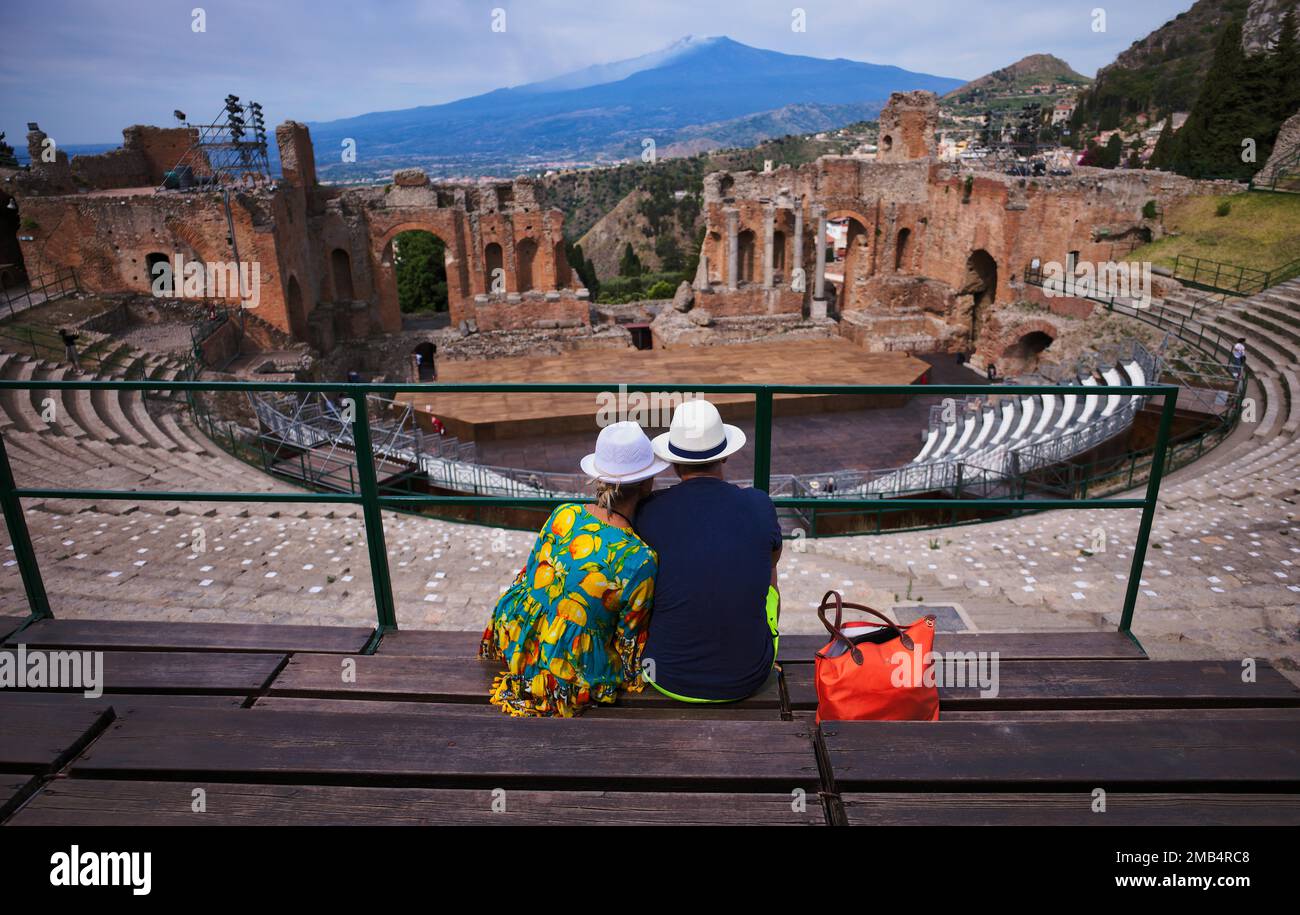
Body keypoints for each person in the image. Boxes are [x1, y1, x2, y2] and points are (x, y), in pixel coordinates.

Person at [479, 421, 667, 717]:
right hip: (563, 667)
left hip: (515, 636)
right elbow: (629, 641)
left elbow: (528, 579)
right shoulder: (640, 559)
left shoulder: (564, 513)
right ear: (647, 484)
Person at [634, 399, 782, 703]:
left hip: (663, 674)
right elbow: (770, 562)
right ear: (725, 456)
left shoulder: (649, 511)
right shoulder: (759, 504)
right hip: (748, 677)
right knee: (766, 566)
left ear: (674, 463)